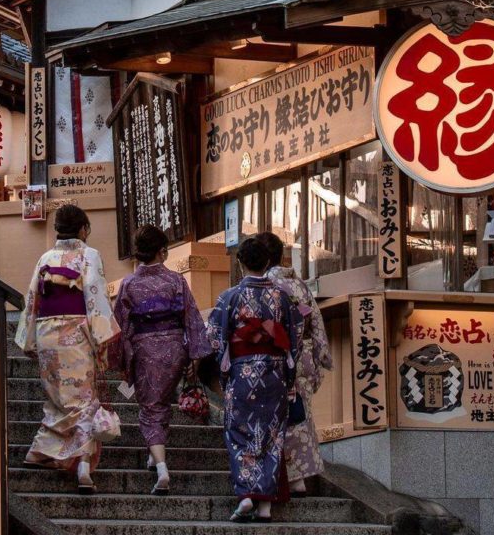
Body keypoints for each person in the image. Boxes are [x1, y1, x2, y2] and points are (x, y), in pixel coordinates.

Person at [15, 203, 120, 493]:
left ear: (57, 230)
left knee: (57, 397)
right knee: (84, 399)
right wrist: (102, 339)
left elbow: (33, 298)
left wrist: (30, 337)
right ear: (83, 229)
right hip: (76, 333)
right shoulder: (89, 255)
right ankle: (83, 468)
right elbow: (95, 296)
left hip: (48, 332)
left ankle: (39, 452)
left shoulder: (45, 257)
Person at [113, 224, 211, 495]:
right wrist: (195, 356)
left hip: (145, 349)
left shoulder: (129, 284)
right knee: (162, 403)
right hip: (174, 349)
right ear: (163, 252)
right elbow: (191, 317)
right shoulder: (176, 281)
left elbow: (120, 323)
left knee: (150, 408)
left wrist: (122, 358)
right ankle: (153, 454)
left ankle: (162, 467)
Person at [206, 236, 298, 524]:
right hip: (274, 372)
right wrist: (289, 374)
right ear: (268, 262)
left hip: (243, 372)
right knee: (272, 435)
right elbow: (294, 338)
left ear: (240, 262)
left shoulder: (229, 296)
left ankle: (246, 495)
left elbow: (214, 336)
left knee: (239, 432)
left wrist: (223, 372)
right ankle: (266, 506)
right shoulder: (282, 297)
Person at [258, 231, 333, 496]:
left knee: (279, 419)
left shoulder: (264, 285)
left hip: (277, 359)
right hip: (303, 359)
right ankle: (298, 477)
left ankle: (290, 478)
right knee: (300, 417)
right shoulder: (299, 285)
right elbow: (315, 320)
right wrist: (322, 352)